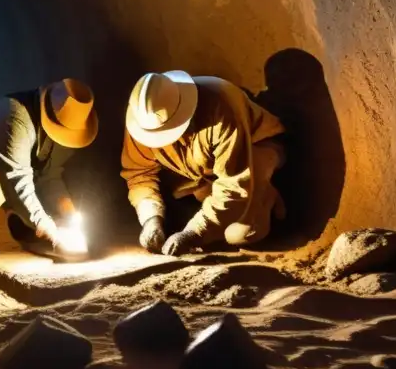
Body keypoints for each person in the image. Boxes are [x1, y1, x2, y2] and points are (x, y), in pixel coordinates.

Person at [121, 70, 287, 257]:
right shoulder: (143, 120)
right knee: (200, 222)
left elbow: (234, 182)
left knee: (240, 234)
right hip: (204, 169)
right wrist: (151, 218)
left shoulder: (222, 106)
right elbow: (139, 173)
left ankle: (264, 194)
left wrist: (193, 233)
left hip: (252, 152)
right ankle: (213, 204)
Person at [0, 78, 98, 261]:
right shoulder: (14, 116)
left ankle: (9, 224)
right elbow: (16, 180)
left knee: (28, 202)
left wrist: (69, 214)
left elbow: (49, 177)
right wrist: (50, 229)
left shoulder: (65, 127)